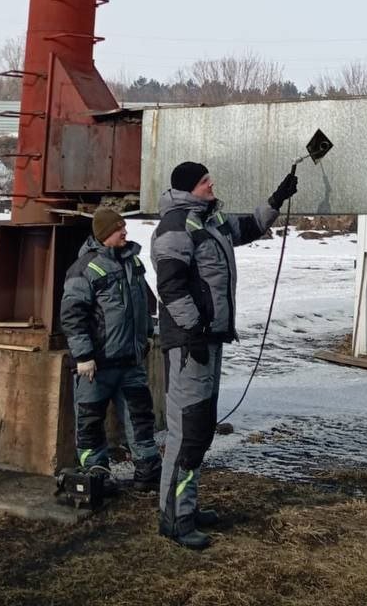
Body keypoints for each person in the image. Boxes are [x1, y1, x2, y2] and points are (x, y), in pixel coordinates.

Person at [154, 160, 298, 549]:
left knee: (200, 429)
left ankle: (187, 506)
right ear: (188, 188)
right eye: (205, 181)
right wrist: (194, 330)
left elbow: (249, 227)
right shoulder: (175, 227)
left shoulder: (209, 220)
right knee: (186, 432)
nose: (211, 183)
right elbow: (170, 287)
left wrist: (276, 199)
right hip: (190, 345)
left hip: (209, 339)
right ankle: (174, 518)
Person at [60, 205, 161, 494]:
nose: (125, 232)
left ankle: (148, 471)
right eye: (119, 229)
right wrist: (84, 356)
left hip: (130, 361)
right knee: (91, 419)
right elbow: (72, 315)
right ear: (105, 234)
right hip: (98, 364)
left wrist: (146, 334)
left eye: (124, 227)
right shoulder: (84, 269)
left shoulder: (133, 262)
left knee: (141, 416)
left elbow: (141, 303)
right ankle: (96, 473)